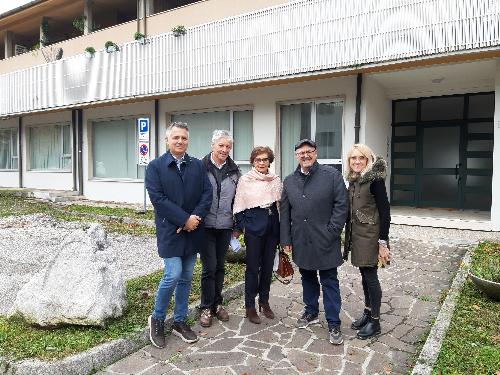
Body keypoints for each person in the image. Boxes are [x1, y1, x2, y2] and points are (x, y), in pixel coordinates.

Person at [145, 122, 212, 348]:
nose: (180, 141)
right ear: (167, 140)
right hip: (170, 231)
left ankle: (180, 320)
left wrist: (194, 219)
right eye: (176, 138)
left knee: (186, 277)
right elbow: (158, 200)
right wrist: (184, 220)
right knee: (172, 275)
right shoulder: (155, 167)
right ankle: (157, 318)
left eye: (184, 138)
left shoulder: (197, 166)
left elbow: (207, 193)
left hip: (193, 231)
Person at [280, 139, 348, 345]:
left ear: (316, 153)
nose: (306, 155)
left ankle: (334, 322)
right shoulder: (289, 181)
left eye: (309, 151)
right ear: (296, 156)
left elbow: (342, 206)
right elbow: (285, 212)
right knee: (307, 277)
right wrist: (286, 239)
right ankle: (310, 311)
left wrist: (332, 231)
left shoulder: (332, 176)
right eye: (301, 153)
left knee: (329, 281)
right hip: (301, 239)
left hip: (326, 239)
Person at [343, 143, 391, 340]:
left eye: (361, 158)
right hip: (358, 236)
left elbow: (385, 212)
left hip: (371, 237)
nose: (356, 161)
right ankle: (367, 313)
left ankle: (376, 322)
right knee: (364, 276)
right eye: (353, 158)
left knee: (371, 278)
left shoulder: (375, 181)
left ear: (367, 160)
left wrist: (383, 242)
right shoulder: (354, 180)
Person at [233, 146, 282, 324]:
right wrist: (244, 226)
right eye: (258, 160)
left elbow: (280, 205)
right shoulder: (246, 180)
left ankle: (264, 301)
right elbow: (238, 205)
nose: (261, 163)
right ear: (253, 162)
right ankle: (250, 306)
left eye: (265, 159)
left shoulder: (275, 179)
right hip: (254, 226)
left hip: (272, 226)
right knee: (253, 268)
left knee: (268, 267)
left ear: (270, 161)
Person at [199, 130, 241, 327]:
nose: (224, 149)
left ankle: (217, 304)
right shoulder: (199, 167)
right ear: (212, 146)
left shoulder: (235, 171)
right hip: (205, 226)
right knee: (209, 268)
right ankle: (206, 306)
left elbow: (239, 201)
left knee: (220, 267)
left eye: (228, 146)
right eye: (221, 146)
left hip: (225, 226)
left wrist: (237, 226)